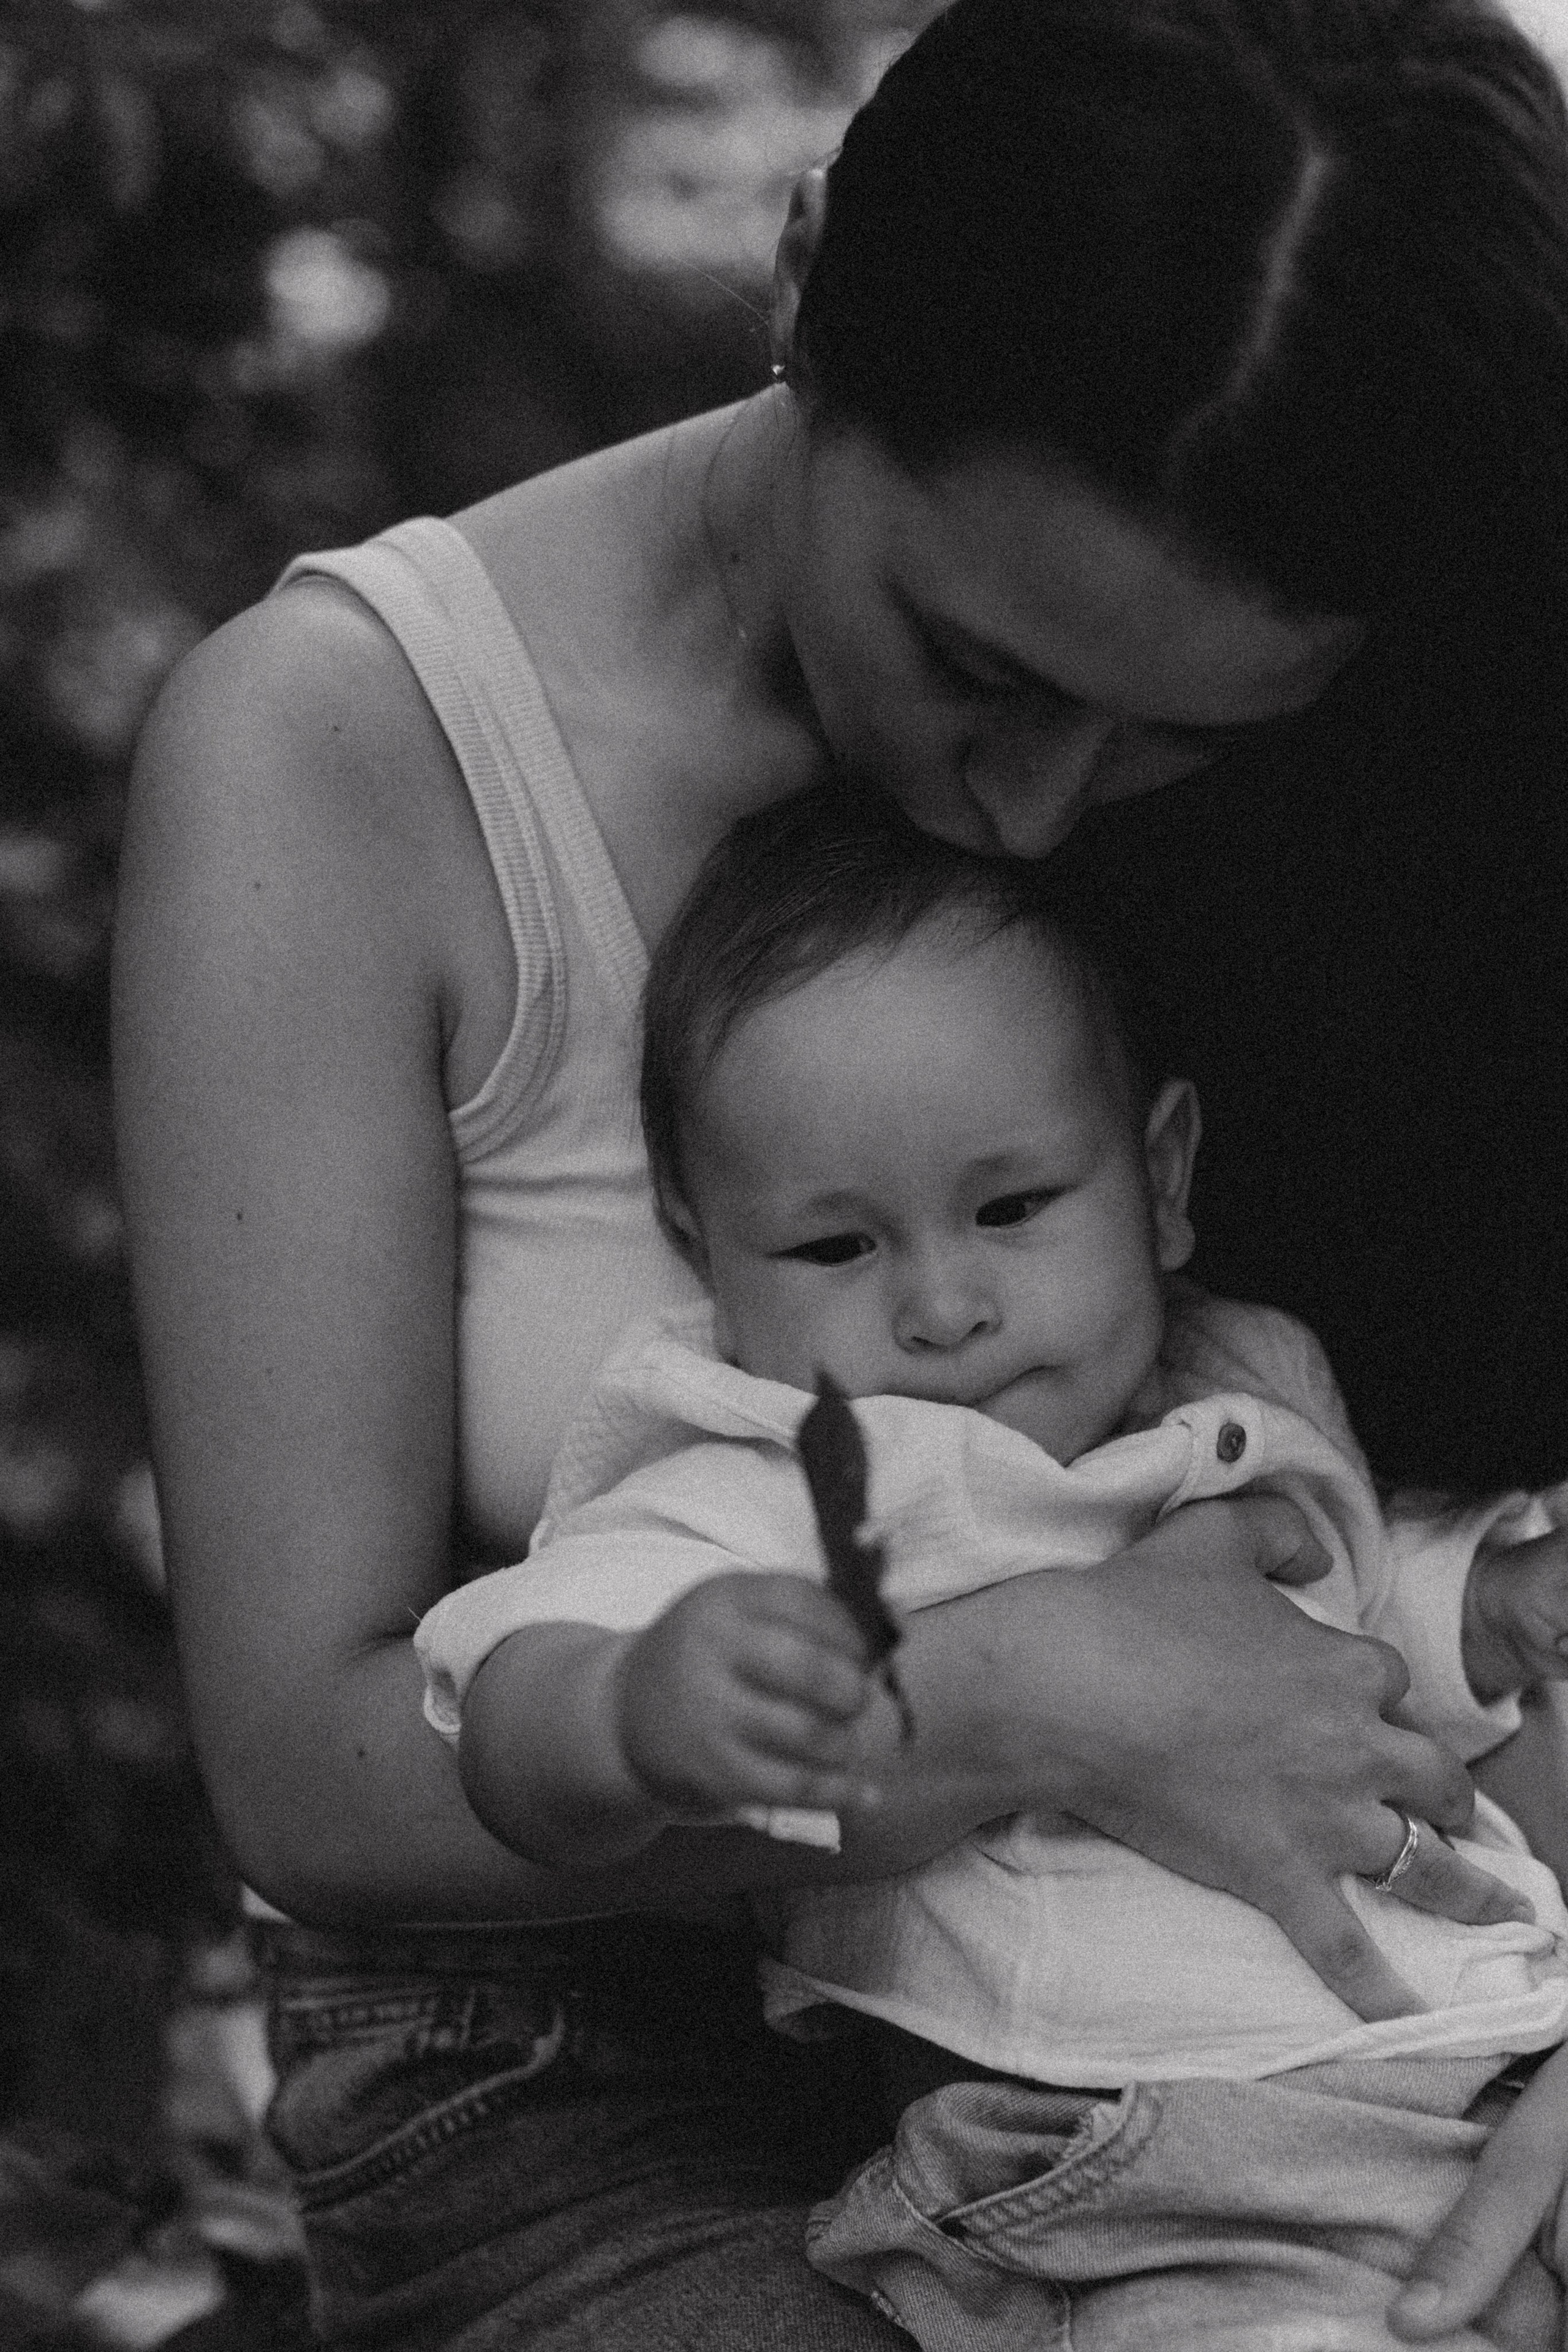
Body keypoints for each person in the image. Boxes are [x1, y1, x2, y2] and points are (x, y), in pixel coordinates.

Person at [110, 0, 1568, 2342]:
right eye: (973, 662)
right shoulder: (345, 759)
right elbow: (309, 1763)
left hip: (1338, 2003)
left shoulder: (1407, 680)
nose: (1031, 810)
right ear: (805, 284)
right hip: (588, 2070)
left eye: (1186, 736)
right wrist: (1024, 1690)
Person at [415, 787, 1568, 2346]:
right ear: (700, 1247)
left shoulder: (1233, 1395)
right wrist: (631, 1709)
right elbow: (508, 1717)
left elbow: (1351, 1643)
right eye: (836, 1249)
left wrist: (1485, 1608)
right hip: (1147, 2162)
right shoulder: (789, 1484)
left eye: (1013, 1208)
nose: (943, 1306)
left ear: (1158, 1180)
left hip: (1489, 2064)